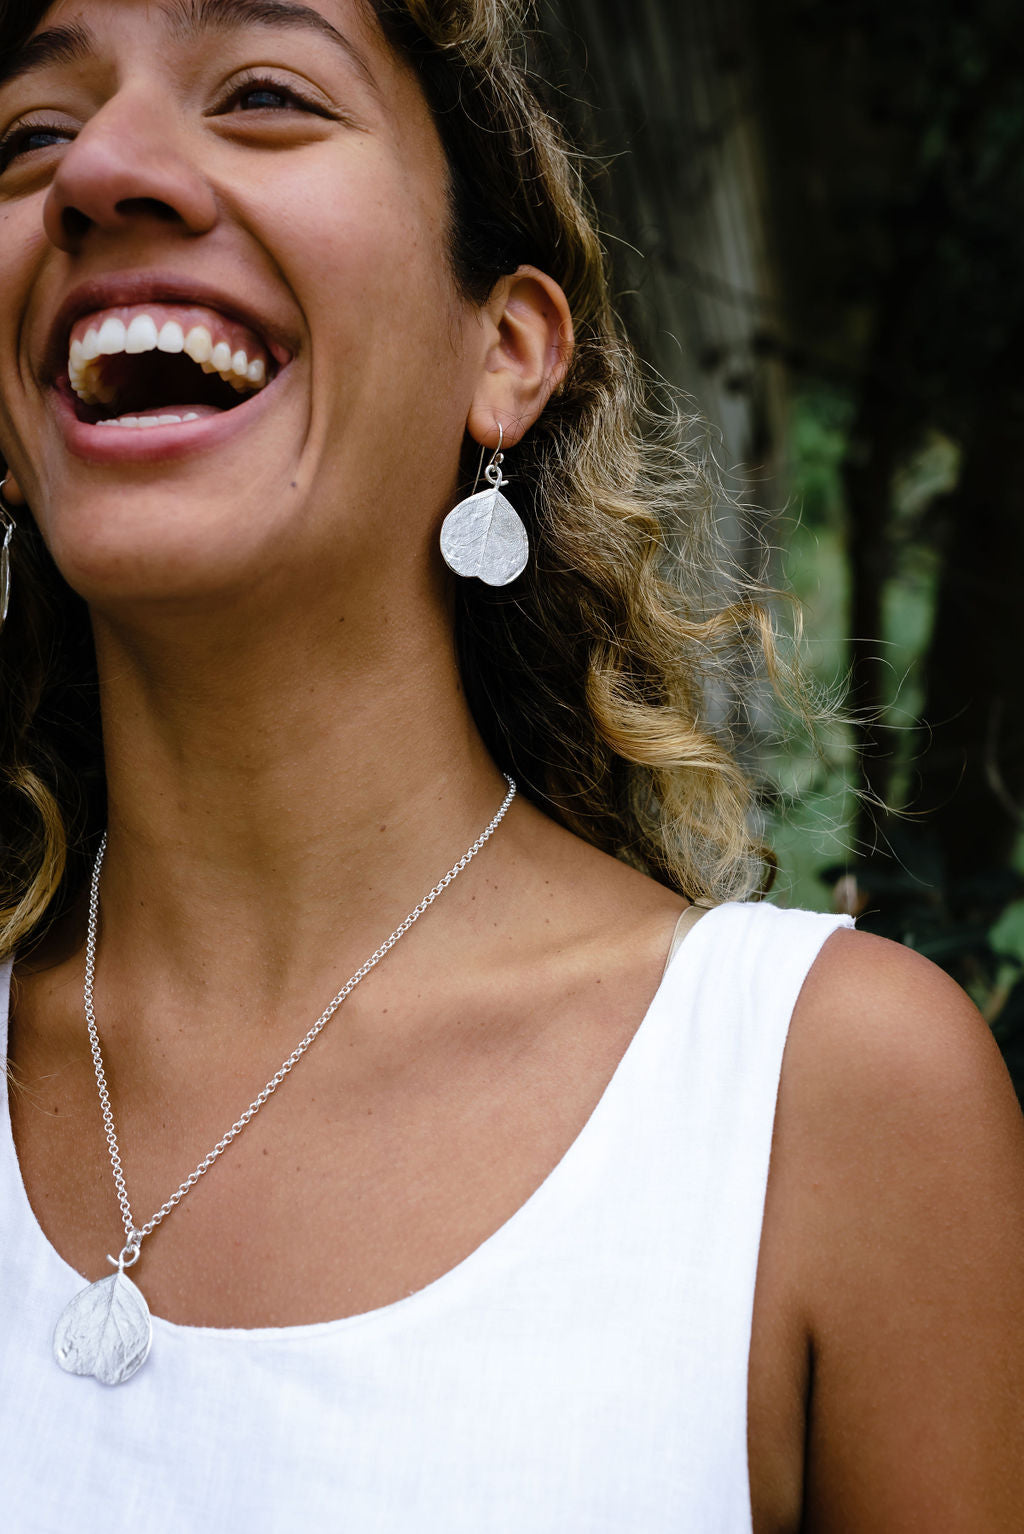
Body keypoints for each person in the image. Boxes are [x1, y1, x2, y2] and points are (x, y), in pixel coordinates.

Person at [0, 1, 1021, 1529]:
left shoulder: (824, 1100)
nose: (104, 170)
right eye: (30, 132)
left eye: (267, 92)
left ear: (509, 349)